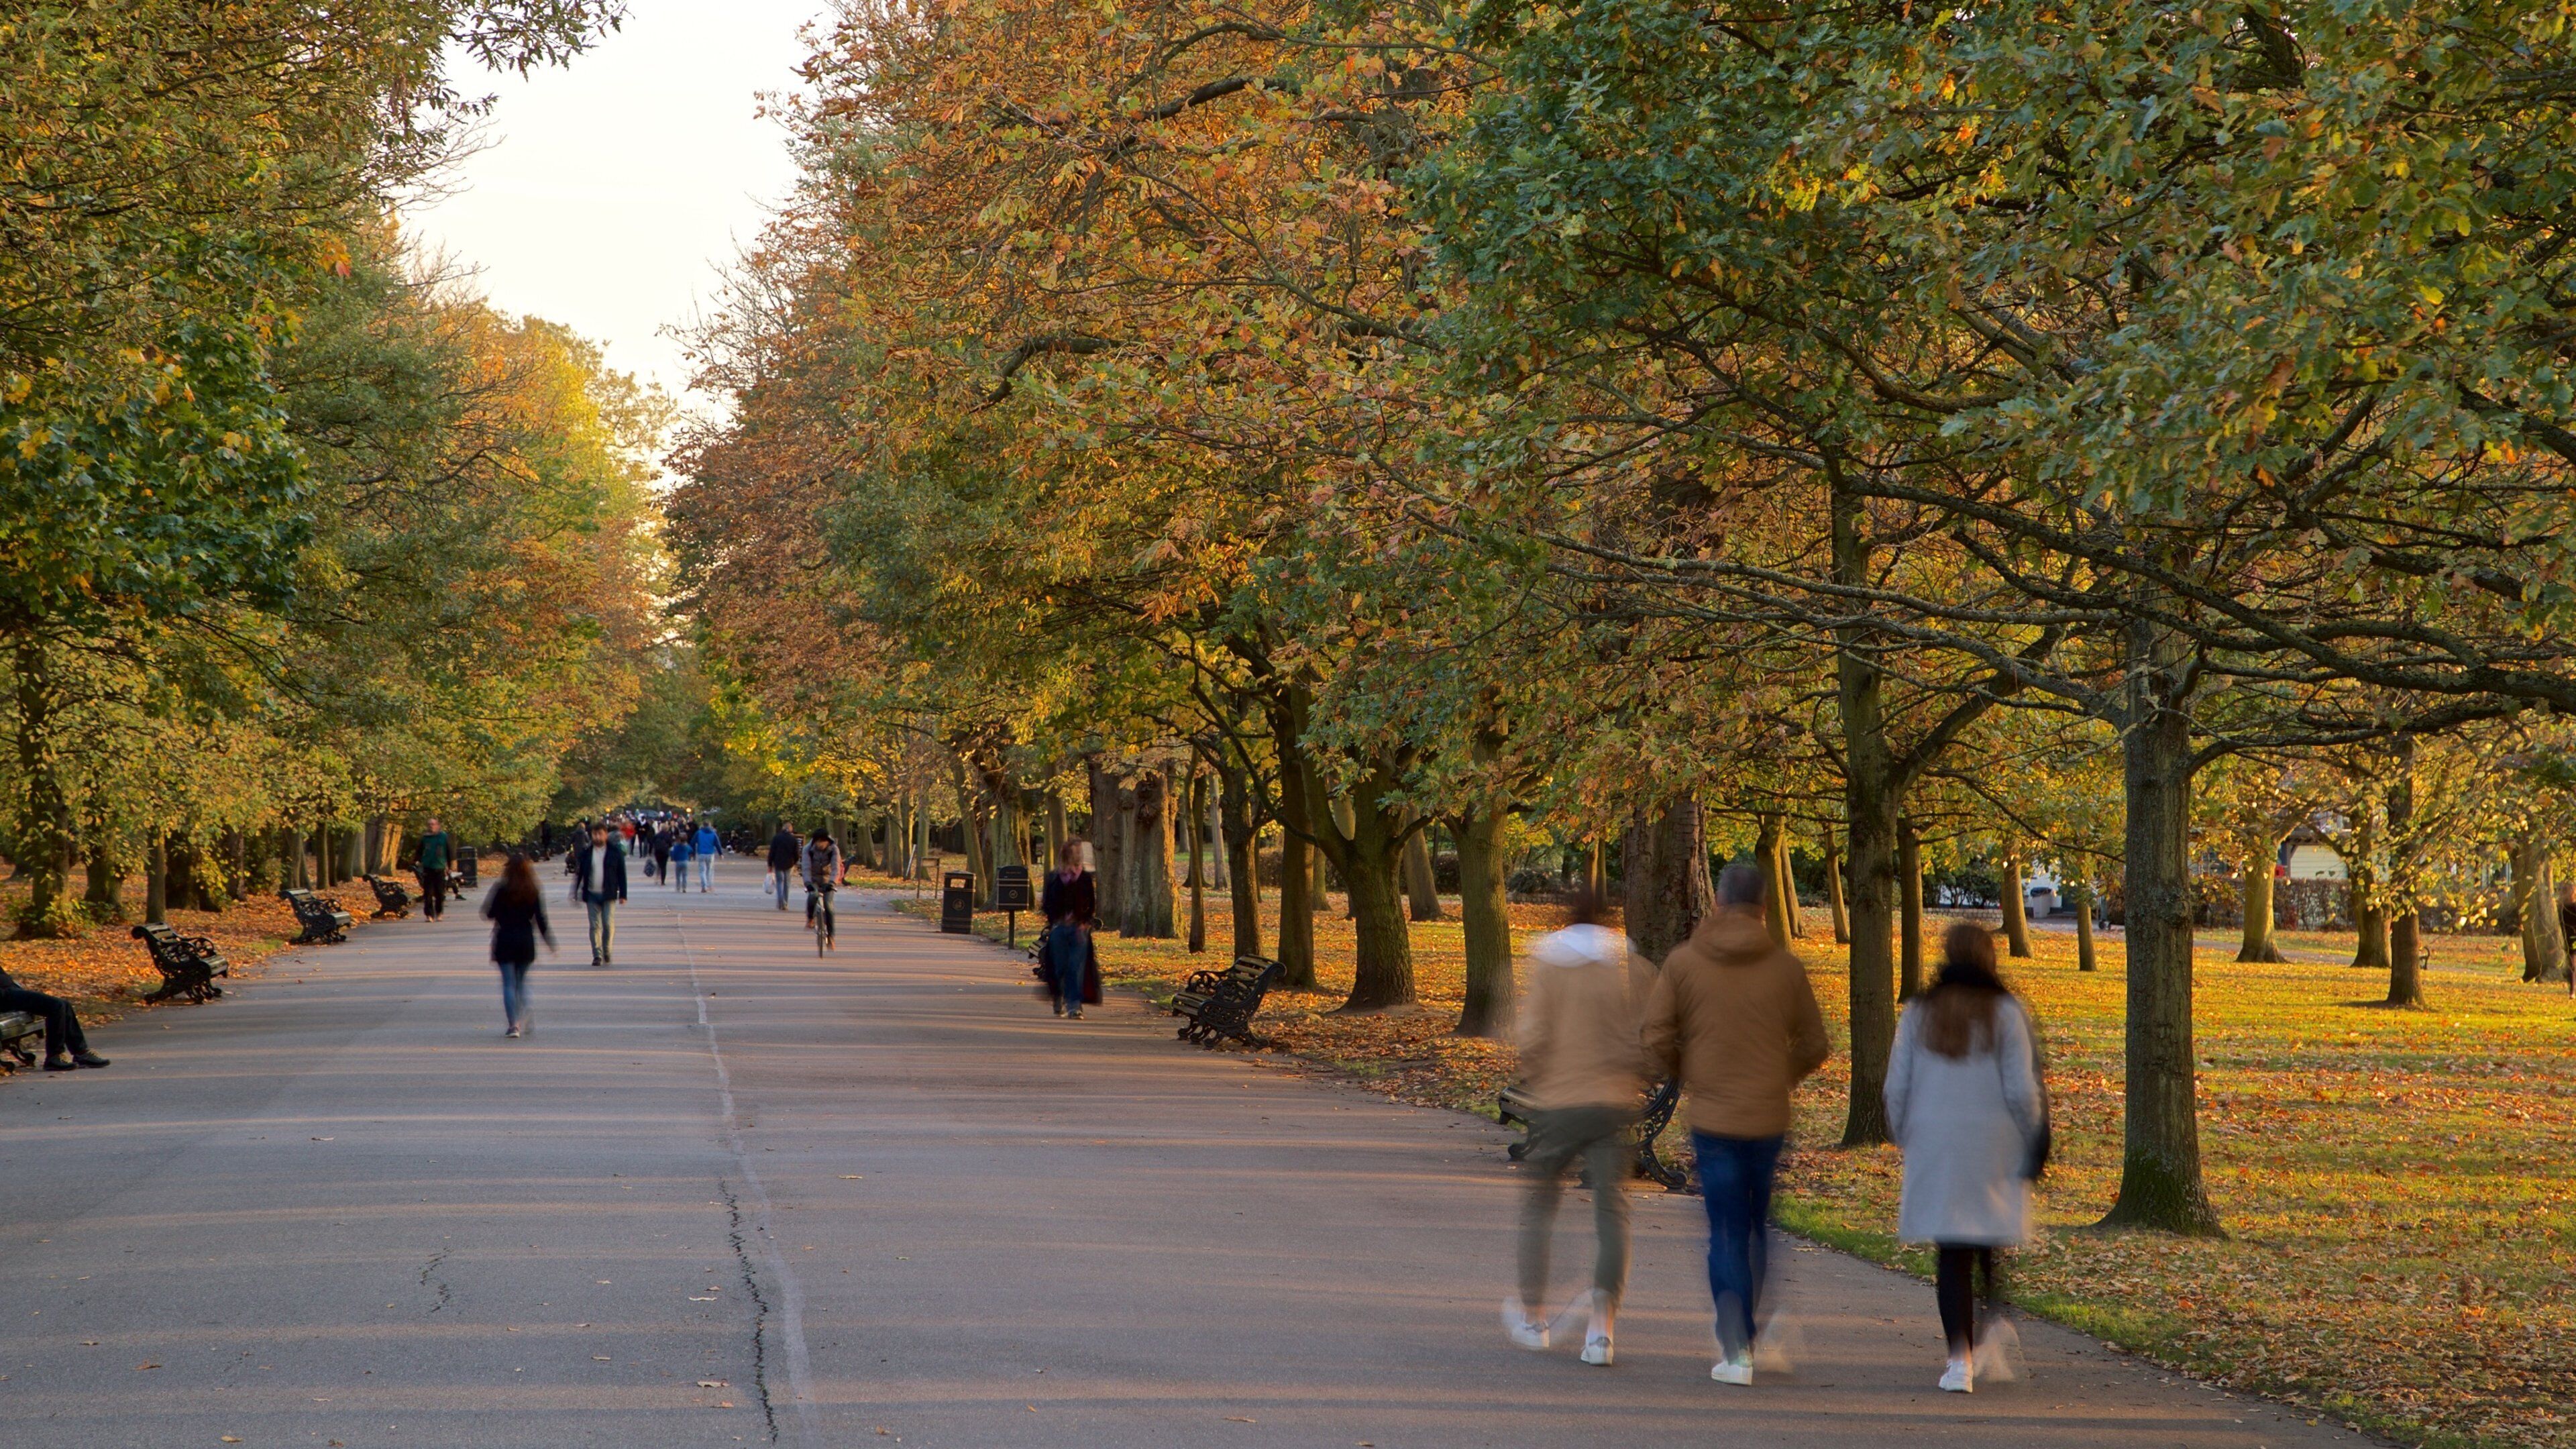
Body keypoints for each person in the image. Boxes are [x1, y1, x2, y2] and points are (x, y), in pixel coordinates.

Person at [1642, 861, 1831, 1386]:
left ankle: (1736, 1347)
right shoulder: (1785, 969)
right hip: (1768, 1117)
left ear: (1717, 903)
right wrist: (1781, 1074)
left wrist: (1690, 1070)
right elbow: (1816, 1043)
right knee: (1754, 1226)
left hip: (1714, 1116)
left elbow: (1655, 1035)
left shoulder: (1683, 964)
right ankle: (1746, 1333)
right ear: (1765, 907)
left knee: (1724, 1228)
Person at [1885, 921, 2045, 1394]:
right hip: (1993, 1141)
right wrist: (2031, 1132)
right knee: (1988, 1233)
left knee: (1952, 1251)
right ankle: (1995, 1322)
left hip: (1938, 1139)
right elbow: (2021, 1089)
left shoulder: (1919, 1013)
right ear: (1989, 957)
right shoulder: (2005, 1012)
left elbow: (1897, 1084)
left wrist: (1903, 1132)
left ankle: (1960, 1361)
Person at [1504, 886, 1652, 1366]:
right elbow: (1649, 1037)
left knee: (1540, 1207)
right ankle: (1601, 1331)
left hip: (1560, 1102)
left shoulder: (1549, 963)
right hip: (1613, 1101)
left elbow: (1532, 1034)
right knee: (1613, 1215)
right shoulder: (1630, 968)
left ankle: (1533, 1317)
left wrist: (1542, 1072)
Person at [481, 852, 557, 1037]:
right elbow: (541, 919)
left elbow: (488, 913)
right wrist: (550, 942)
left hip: (505, 939)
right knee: (521, 982)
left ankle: (514, 1025)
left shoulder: (501, 889)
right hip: (525, 940)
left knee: (508, 983)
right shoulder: (533, 889)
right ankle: (527, 1006)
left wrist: (501, 913)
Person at [0, 963, 109, 1071]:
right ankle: (54, 1057)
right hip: (5, 997)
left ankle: (81, 1052)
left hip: (11, 992)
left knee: (64, 1004)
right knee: (56, 1006)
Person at [1038, 839, 1097, 1018]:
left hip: (1079, 929)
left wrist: (1085, 921)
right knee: (1060, 967)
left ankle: (1074, 1006)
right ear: (1067, 855)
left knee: (1075, 967)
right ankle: (1058, 996)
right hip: (1059, 928)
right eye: (1075, 853)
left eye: (1080, 853)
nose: (1079, 856)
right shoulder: (1055, 877)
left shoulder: (1085, 878)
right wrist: (1056, 920)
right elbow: (1047, 903)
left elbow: (1092, 903)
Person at [571, 822, 628, 965]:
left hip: (608, 893)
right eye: (594, 834)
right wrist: (575, 891)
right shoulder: (586, 853)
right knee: (594, 926)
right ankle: (597, 955)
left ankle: (607, 950)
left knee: (608, 924)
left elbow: (622, 874)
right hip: (591, 894)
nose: (597, 837)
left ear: (605, 835)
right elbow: (580, 874)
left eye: (600, 834)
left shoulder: (615, 853)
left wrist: (623, 894)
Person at [803, 826, 843, 947]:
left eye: (822, 841)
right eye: (818, 841)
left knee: (829, 906)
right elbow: (806, 868)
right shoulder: (808, 849)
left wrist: (832, 883)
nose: (820, 844)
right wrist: (808, 883)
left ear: (827, 840)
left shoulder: (834, 849)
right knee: (813, 896)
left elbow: (836, 868)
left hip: (828, 879)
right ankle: (810, 918)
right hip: (814, 879)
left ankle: (831, 936)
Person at [415, 817, 452, 921]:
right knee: (428, 893)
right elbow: (419, 850)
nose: (431, 826)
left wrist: (450, 866)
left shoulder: (443, 837)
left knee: (440, 893)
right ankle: (429, 915)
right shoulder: (425, 837)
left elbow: (449, 852)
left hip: (440, 868)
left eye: (433, 824)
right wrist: (417, 861)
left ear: (438, 825)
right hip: (428, 868)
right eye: (429, 824)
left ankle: (439, 913)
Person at [767, 822, 800, 911]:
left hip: (778, 863)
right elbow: (796, 853)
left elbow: (772, 852)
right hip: (789, 863)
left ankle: (780, 902)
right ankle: (785, 902)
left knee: (779, 882)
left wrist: (770, 864)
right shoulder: (793, 839)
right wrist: (795, 862)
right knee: (787, 883)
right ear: (790, 829)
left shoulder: (776, 838)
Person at [693, 818, 720, 892]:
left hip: (701, 853)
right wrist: (721, 853)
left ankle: (704, 886)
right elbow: (717, 844)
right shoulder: (713, 833)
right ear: (710, 825)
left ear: (703, 825)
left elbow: (692, 842)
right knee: (710, 870)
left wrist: (692, 852)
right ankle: (709, 886)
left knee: (702, 871)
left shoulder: (699, 833)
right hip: (710, 853)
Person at [668, 828, 692, 892]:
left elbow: (673, 853)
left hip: (678, 862)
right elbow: (691, 850)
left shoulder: (676, 846)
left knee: (678, 876)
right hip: (685, 861)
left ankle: (678, 887)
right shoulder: (686, 846)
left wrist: (673, 858)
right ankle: (684, 888)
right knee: (685, 875)